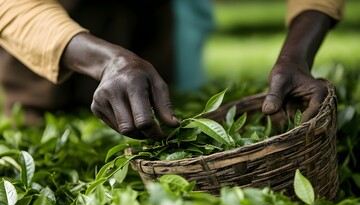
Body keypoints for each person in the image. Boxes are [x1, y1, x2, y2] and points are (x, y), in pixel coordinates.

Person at [0, 0, 344, 140]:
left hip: (145, 40)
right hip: (43, 63)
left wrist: (296, 56)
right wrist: (107, 61)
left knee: (159, 124)